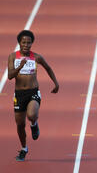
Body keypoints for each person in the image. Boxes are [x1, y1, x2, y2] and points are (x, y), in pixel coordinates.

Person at [7, 30, 59, 161]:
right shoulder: (13, 57)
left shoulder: (36, 57)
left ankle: (34, 124)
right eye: (23, 42)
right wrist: (20, 67)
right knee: (19, 124)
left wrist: (56, 83)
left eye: (28, 43)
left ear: (32, 43)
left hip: (33, 92)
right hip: (19, 94)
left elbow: (48, 68)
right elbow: (10, 76)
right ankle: (24, 148)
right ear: (19, 43)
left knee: (31, 115)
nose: (26, 45)